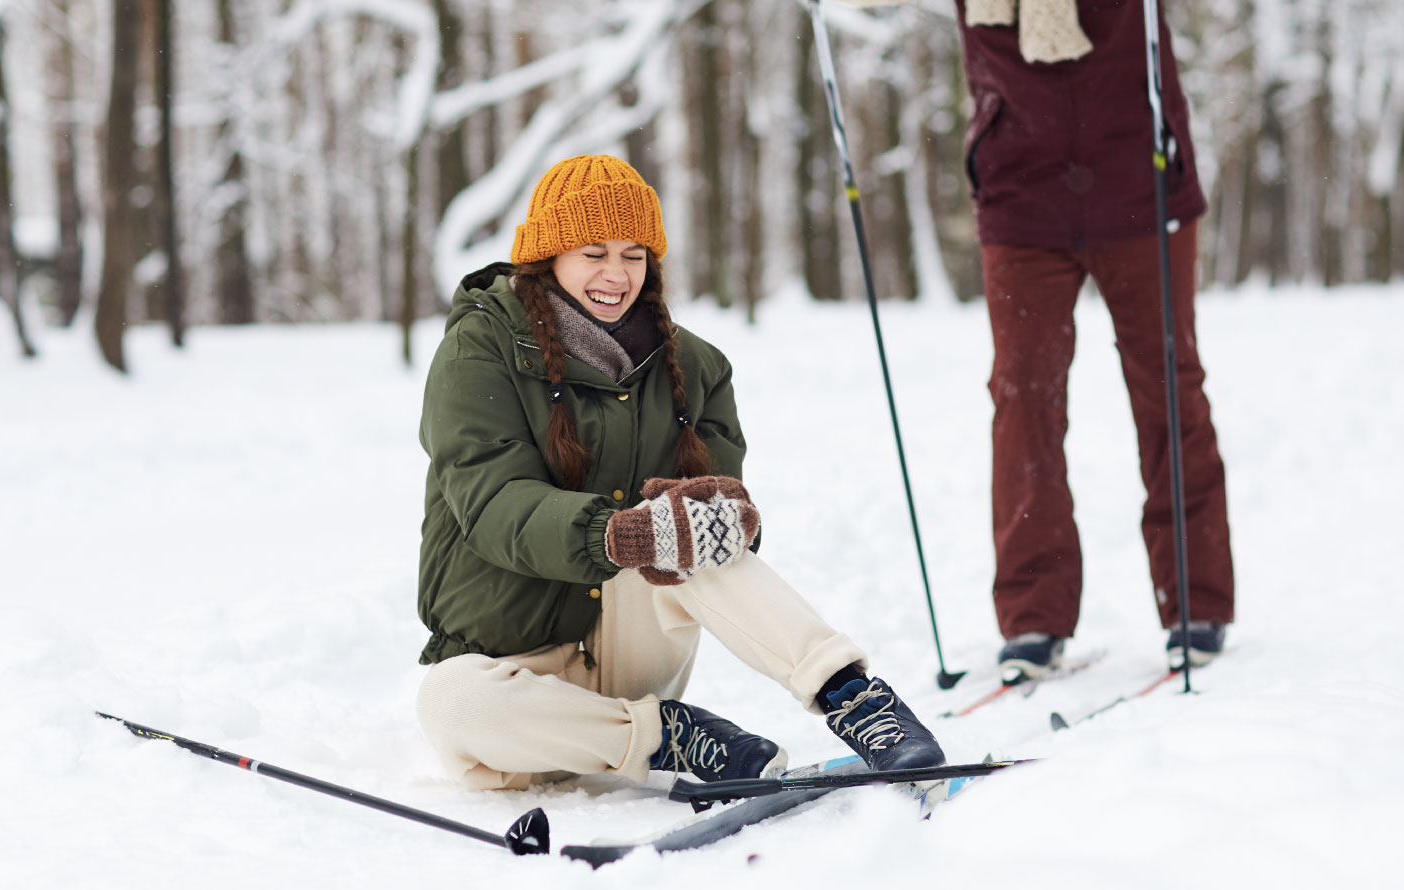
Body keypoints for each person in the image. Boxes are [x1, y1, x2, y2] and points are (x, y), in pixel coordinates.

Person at [412, 154, 945, 791]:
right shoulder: (479, 349)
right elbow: (493, 501)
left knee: (696, 532)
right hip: (516, 677)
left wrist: (725, 517)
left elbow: (716, 527)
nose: (616, 274)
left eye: (634, 255)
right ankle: (669, 736)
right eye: (594, 253)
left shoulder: (694, 367)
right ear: (548, 255)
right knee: (447, 701)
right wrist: (620, 534)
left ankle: (854, 698)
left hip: (629, 649)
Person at [840, 0, 1235, 678]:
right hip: (1020, 188)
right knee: (1022, 401)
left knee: (1167, 383)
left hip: (1141, 179)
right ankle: (1034, 615)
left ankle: (1196, 601)